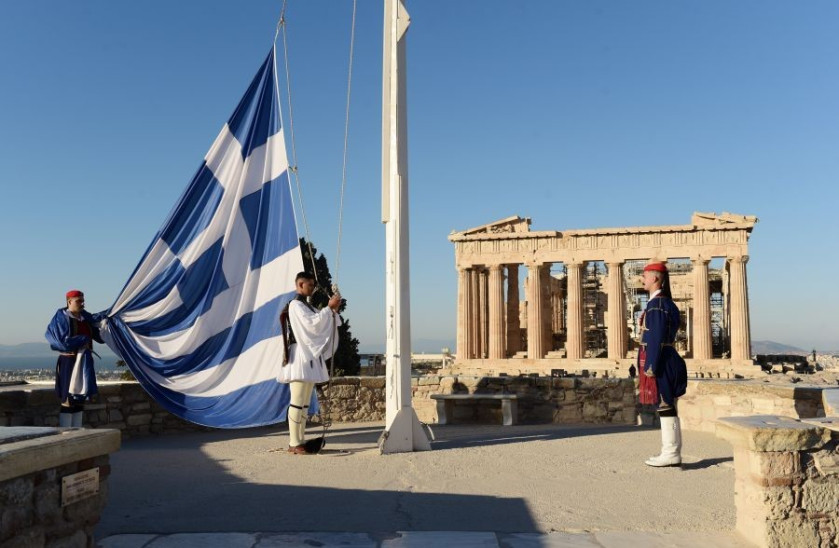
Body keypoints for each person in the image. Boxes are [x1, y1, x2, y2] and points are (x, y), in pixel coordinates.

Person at [278, 272, 342, 455]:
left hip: (307, 357)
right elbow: (312, 324)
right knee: (297, 400)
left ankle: (299, 439)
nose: (312, 288)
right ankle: (294, 442)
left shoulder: (307, 306)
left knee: (304, 401)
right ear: (300, 285)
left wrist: (332, 310)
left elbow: (321, 322)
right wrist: (328, 309)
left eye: (313, 285)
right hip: (299, 355)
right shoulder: (296, 305)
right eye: (310, 285)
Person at [638, 262, 688, 467]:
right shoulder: (664, 303)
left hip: (660, 359)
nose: (642, 279)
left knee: (666, 406)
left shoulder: (657, 305)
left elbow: (656, 336)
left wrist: (650, 366)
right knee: (666, 406)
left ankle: (671, 453)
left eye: (645, 275)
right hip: (665, 356)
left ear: (656, 278)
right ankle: (670, 451)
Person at [45, 290, 104, 428]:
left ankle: (77, 431)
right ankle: (66, 433)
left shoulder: (86, 319)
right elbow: (61, 342)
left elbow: (99, 337)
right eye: (79, 301)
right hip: (69, 362)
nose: (82, 303)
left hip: (84, 361)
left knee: (79, 398)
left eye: (83, 300)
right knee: (68, 398)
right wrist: (82, 339)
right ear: (69, 301)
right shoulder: (61, 319)